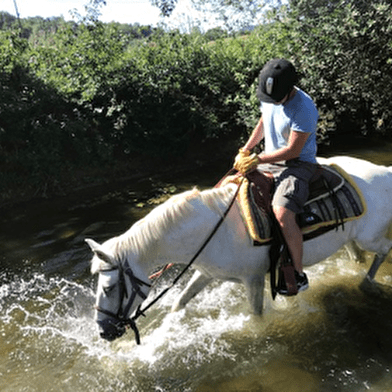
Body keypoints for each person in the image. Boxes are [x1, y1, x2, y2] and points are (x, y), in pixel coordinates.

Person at [234, 58, 319, 294]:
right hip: (269, 159)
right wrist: (247, 149)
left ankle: (300, 275)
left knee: (282, 212)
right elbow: (264, 121)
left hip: (296, 165)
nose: (272, 102)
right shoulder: (272, 96)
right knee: (231, 187)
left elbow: (293, 150)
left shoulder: (304, 108)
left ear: (291, 88)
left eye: (277, 99)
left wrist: (259, 159)